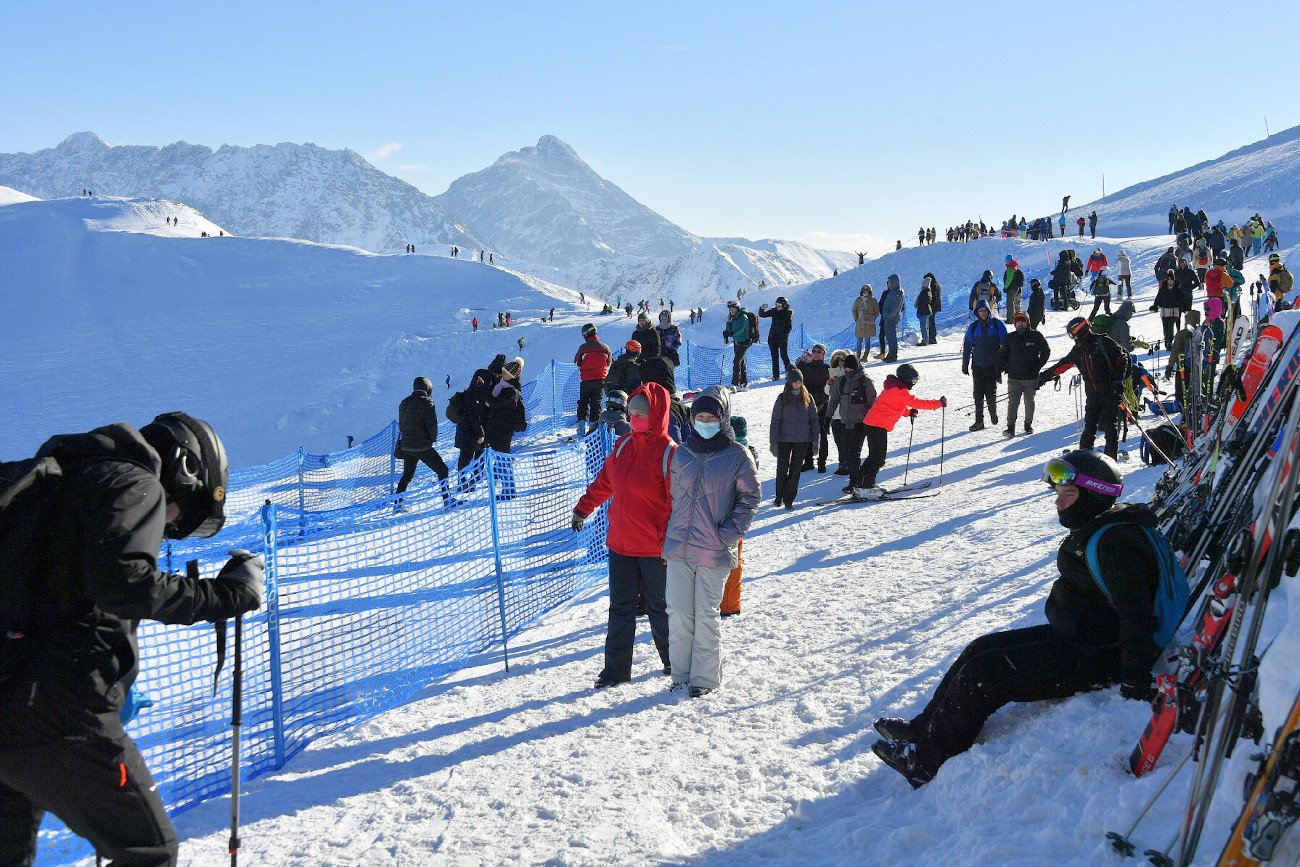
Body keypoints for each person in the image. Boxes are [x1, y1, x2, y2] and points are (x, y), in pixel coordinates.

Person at [0, 413, 262, 865]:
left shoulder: (59, 483)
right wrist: (224, 596)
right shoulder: (135, 481)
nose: (167, 524)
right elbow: (126, 584)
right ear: (185, 471)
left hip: (12, 694)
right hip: (60, 711)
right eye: (179, 512)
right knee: (149, 851)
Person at [872, 451, 1170, 787]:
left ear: (1095, 495)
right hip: (1081, 636)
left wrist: (1133, 680)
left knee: (988, 671)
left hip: (1104, 656)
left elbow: (1138, 616)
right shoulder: (1100, 526)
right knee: (980, 648)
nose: (1059, 503)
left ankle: (925, 761)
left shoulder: (1114, 543)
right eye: (1058, 494)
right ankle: (924, 728)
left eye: (1069, 495)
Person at [572, 384, 676, 689]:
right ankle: (615, 671)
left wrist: (669, 541)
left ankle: (676, 662)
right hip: (620, 545)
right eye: (631, 413)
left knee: (661, 608)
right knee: (620, 608)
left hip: (655, 549)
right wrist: (583, 509)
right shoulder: (622, 447)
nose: (635, 418)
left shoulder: (670, 453)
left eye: (641, 413)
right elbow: (605, 483)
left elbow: (676, 504)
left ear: (656, 414)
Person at [663, 386, 759, 698]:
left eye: (711, 416)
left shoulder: (737, 455)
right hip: (680, 548)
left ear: (722, 419)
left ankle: (704, 679)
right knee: (678, 614)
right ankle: (681, 675)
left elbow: (750, 497)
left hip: (714, 550)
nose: (704, 421)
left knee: (706, 616)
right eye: (699, 416)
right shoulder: (682, 453)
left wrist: (728, 534)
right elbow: (672, 497)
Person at [1039, 318, 1129, 459]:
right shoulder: (1078, 349)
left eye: (1073, 334)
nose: (1073, 338)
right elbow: (1063, 364)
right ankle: (1084, 460)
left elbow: (1122, 359)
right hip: (1093, 395)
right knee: (1089, 426)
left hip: (1111, 391)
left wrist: (1117, 381)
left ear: (1080, 330)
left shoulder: (1102, 341)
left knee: (1110, 428)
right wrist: (1043, 377)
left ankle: (1111, 462)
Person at [855, 364, 945, 499]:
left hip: (873, 424)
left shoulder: (894, 388)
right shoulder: (899, 391)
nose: (914, 383)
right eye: (913, 380)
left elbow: (895, 405)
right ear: (906, 379)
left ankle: (861, 485)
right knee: (878, 458)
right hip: (876, 425)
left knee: (874, 457)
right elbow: (918, 403)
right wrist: (938, 403)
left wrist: (908, 413)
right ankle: (866, 487)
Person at [395, 376, 453, 507]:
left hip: (406, 445)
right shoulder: (427, 403)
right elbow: (432, 426)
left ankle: (397, 505)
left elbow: (402, 425)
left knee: (407, 476)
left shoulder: (404, 403)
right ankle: (447, 500)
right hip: (421, 446)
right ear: (428, 388)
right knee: (443, 470)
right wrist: (432, 440)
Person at [769, 368, 821, 509]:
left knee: (795, 470)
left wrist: (816, 439)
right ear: (790, 382)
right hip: (784, 439)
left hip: (802, 440)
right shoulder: (782, 398)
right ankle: (779, 495)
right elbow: (775, 421)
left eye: (800, 382)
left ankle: (789, 499)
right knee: (782, 468)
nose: (798, 384)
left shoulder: (808, 397)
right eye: (796, 382)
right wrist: (773, 442)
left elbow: (814, 419)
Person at [454, 353, 506, 481]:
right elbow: (475, 414)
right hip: (475, 429)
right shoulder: (477, 395)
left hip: (472, 428)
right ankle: (465, 482)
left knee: (471, 455)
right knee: (470, 455)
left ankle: (469, 480)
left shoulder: (472, 392)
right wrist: (481, 431)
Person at [998, 313, 1051, 435]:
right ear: (1015, 324)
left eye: (1023, 321)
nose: (1020, 323)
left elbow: (1046, 351)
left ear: (1027, 322)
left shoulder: (1036, 336)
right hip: (1014, 378)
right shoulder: (1010, 337)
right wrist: (999, 370)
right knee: (1012, 403)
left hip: (1030, 378)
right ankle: (1010, 427)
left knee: (1029, 402)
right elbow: (1003, 355)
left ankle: (1028, 425)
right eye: (1018, 321)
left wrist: (1038, 365)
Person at [831, 354, 875, 492]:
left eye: (851, 369)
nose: (848, 372)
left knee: (854, 452)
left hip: (860, 423)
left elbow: (872, 403)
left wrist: (870, 423)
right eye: (846, 369)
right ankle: (855, 481)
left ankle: (854, 483)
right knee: (848, 453)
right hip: (845, 422)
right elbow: (834, 399)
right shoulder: (841, 381)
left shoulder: (866, 382)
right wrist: (828, 416)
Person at [961, 301, 1007, 432]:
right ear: (977, 312)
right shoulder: (973, 327)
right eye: (980, 311)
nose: (982, 313)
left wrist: (1005, 363)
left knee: (991, 392)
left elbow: (1006, 345)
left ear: (988, 311)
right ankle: (979, 421)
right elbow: (967, 346)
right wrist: (965, 364)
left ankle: (993, 413)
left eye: (985, 310)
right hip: (978, 366)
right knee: (978, 394)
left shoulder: (998, 325)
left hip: (993, 365)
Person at [485, 358, 527, 498]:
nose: (502, 374)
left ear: (512, 375)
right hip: (498, 429)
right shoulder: (502, 386)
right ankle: (501, 481)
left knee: (505, 460)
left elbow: (495, 404)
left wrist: (485, 394)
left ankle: (509, 491)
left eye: (505, 372)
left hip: (503, 430)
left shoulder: (511, 391)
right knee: (502, 458)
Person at [796, 344, 831, 473]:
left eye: (819, 351)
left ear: (823, 354)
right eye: (814, 351)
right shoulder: (805, 366)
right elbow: (794, 374)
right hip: (807, 405)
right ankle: (808, 461)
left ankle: (822, 462)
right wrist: (800, 361)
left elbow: (830, 387)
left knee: (822, 434)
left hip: (822, 404)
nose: (816, 353)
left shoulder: (827, 368)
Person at [574, 323, 612, 438]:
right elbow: (609, 363)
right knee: (596, 403)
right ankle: (593, 427)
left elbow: (577, 362)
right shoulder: (605, 348)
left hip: (586, 380)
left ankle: (581, 427)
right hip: (600, 380)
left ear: (585, 334)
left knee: (583, 402)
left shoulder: (583, 348)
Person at [826, 350, 851, 474]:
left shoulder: (851, 374)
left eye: (842, 360)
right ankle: (842, 463)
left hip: (847, 414)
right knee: (838, 441)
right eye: (837, 360)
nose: (840, 363)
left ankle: (848, 464)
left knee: (846, 441)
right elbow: (827, 392)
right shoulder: (832, 372)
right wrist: (829, 384)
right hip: (835, 414)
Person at [758, 297, 794, 380]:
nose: (777, 306)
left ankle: (789, 373)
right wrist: (762, 309)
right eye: (776, 304)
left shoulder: (787, 313)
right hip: (772, 337)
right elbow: (762, 315)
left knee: (784, 355)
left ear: (784, 305)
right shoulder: (774, 311)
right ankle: (775, 375)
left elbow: (789, 327)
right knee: (774, 356)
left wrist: (784, 337)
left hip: (782, 338)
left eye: (779, 305)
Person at [723, 300, 754, 390]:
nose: (731, 311)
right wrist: (728, 322)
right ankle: (744, 384)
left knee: (736, 362)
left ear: (737, 308)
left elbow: (741, 329)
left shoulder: (743, 316)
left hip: (744, 342)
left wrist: (731, 334)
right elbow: (729, 330)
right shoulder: (733, 318)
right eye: (730, 309)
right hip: (737, 342)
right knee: (741, 363)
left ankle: (735, 384)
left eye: (733, 309)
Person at [852, 285, 880, 359]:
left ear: (870, 291)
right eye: (864, 290)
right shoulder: (858, 300)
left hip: (869, 324)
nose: (865, 291)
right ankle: (857, 356)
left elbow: (877, 313)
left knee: (867, 341)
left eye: (867, 290)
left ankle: (865, 356)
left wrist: (869, 318)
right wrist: (856, 319)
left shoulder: (873, 300)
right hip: (860, 324)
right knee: (859, 341)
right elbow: (854, 310)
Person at [915, 278, 934, 346]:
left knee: (923, 327)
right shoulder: (928, 292)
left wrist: (919, 311)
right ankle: (925, 340)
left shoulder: (924, 293)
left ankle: (925, 341)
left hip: (924, 312)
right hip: (927, 311)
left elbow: (922, 304)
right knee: (925, 327)